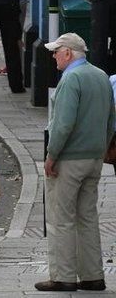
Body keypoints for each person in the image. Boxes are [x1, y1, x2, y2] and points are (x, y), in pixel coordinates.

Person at [36, 33, 114, 292]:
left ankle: (63, 276)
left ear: (68, 53)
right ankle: (93, 276)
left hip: (69, 159)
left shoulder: (71, 79)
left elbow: (63, 123)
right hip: (94, 158)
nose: (54, 56)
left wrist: (51, 155)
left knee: (62, 218)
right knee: (87, 217)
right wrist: (101, 148)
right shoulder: (101, 76)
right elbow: (111, 119)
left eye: (56, 51)